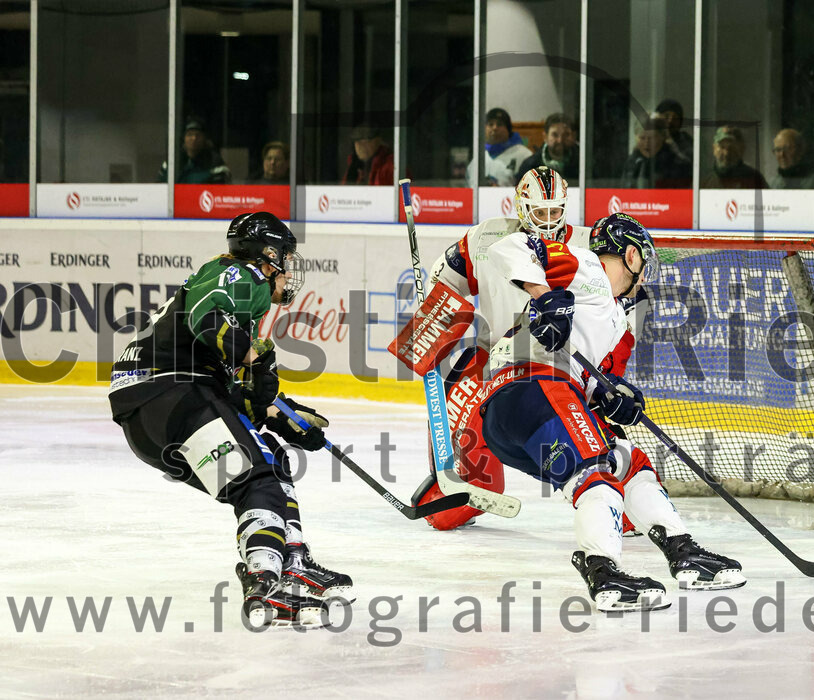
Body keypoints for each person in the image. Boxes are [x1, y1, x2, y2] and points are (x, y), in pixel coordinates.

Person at [448, 214, 744, 611]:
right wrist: (543, 296)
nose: (644, 277)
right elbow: (511, 246)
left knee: (626, 461)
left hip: (512, 418)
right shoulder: (588, 267)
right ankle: (604, 574)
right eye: (644, 264)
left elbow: (585, 378)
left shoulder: (615, 316)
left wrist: (612, 395)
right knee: (596, 471)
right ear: (632, 256)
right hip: (532, 388)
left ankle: (682, 550)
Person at [108, 212, 352, 629]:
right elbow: (206, 318)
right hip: (171, 392)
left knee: (268, 460)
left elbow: (235, 393)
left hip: (151, 414)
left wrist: (281, 415)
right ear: (267, 256)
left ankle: (290, 559)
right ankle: (264, 581)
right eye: (284, 259)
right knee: (258, 480)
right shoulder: (242, 275)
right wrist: (254, 359)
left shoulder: (239, 304)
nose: (287, 271)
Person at [411, 166, 574, 530]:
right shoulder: (486, 237)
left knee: (583, 453)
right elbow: (445, 281)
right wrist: (432, 315)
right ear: (521, 208)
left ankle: (620, 497)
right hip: (492, 360)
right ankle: (451, 480)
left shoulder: (581, 248)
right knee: (459, 492)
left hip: (552, 367)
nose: (549, 221)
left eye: (555, 211)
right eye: (540, 212)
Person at [620, 116, 692, 189]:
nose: (646, 143)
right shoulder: (631, 162)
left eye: (652, 138)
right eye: (642, 138)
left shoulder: (679, 165)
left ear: (662, 137)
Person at [471, 107, 534, 187]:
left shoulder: (524, 155)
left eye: (499, 124)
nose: (494, 128)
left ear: (508, 130)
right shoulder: (477, 155)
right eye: (490, 124)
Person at [158, 118, 231, 185]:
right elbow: (160, 187)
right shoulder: (172, 162)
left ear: (205, 139)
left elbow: (220, 190)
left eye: (198, 135)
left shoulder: (216, 164)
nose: (194, 138)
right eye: (189, 135)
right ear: (183, 139)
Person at [516, 112, 579, 182]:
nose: (560, 140)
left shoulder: (584, 163)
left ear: (574, 136)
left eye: (566, 135)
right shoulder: (530, 166)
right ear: (545, 137)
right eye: (555, 135)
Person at [701, 125, 769, 190]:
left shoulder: (755, 180)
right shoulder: (704, 181)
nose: (726, 153)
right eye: (722, 147)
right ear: (714, 149)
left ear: (741, 149)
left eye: (731, 148)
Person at [655, 98, 694, 163]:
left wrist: (671, 143)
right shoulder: (647, 138)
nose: (670, 121)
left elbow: (687, 163)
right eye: (666, 116)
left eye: (675, 118)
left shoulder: (686, 141)